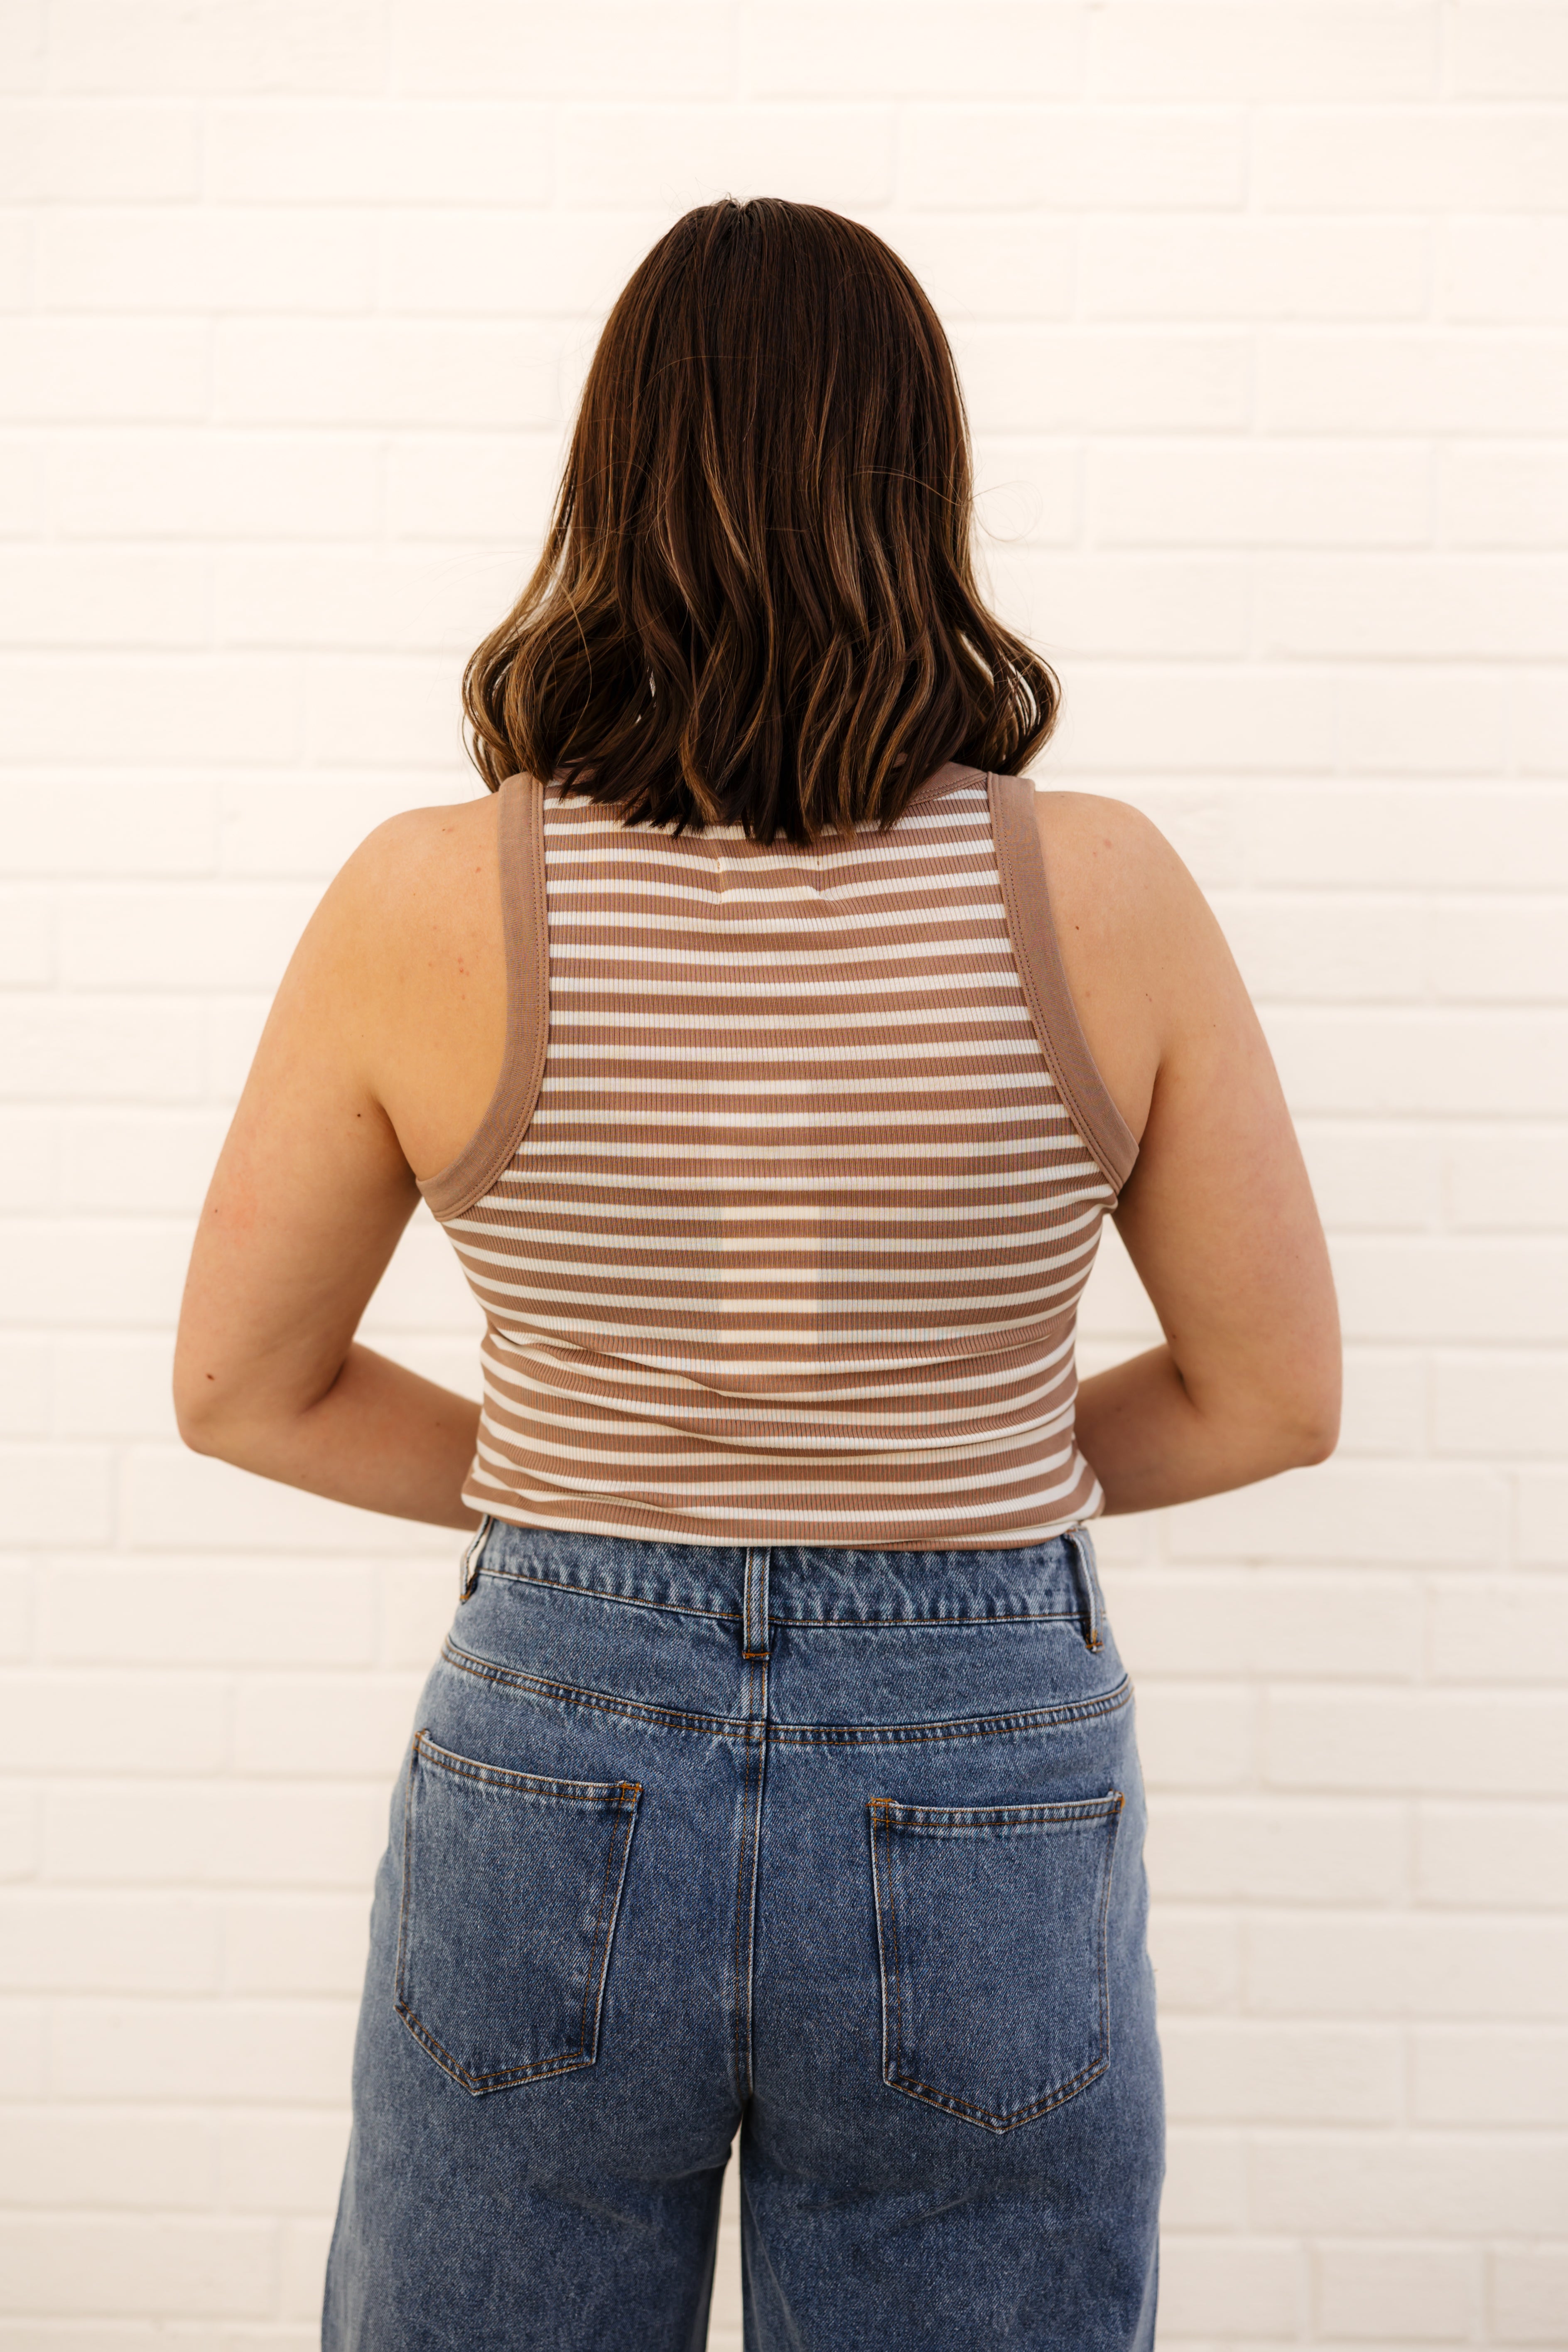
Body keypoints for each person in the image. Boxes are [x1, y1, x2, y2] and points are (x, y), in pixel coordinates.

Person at [173, 196, 1340, 2352]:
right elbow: (1273, 1395)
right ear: (924, 482)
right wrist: (941, 1473)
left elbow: (247, 1386)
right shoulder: (1105, 893)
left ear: (609, 479)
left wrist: (598, 1493)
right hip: (982, 1751)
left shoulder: (424, 903)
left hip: (556, 1724)